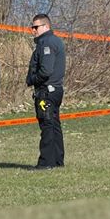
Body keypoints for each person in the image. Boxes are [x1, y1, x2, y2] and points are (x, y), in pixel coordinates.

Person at [26, 13, 65, 169]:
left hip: (46, 92)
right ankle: (57, 160)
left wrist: (32, 79)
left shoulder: (46, 43)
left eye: (36, 27)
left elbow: (46, 70)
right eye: (32, 27)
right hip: (55, 90)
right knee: (54, 124)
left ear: (46, 26)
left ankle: (46, 162)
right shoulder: (54, 41)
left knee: (47, 125)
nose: (33, 30)